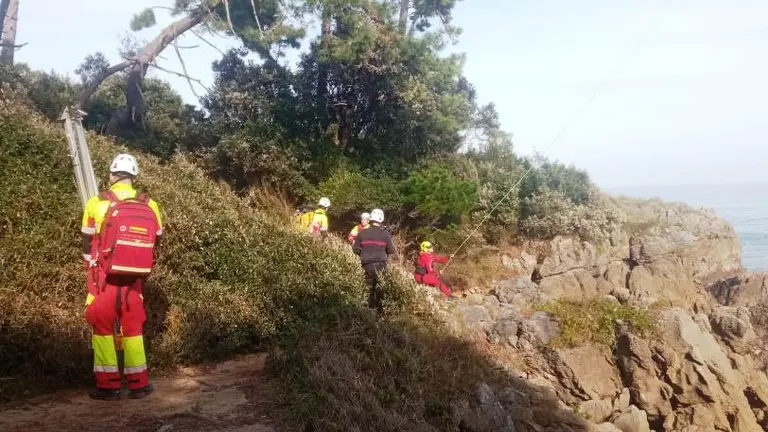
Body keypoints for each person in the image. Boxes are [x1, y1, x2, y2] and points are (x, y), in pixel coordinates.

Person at [80, 153, 162, 401]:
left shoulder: (97, 202)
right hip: (134, 279)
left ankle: (109, 387)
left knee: (102, 325)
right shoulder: (150, 204)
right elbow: (157, 237)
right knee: (133, 327)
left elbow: (86, 237)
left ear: (112, 175)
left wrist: (91, 264)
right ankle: (139, 384)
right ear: (134, 177)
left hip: (103, 277)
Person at [352, 208, 396, 311]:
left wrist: (364, 253)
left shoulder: (362, 233)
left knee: (367, 288)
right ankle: (378, 311)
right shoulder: (385, 234)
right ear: (381, 220)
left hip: (366, 265)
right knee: (380, 288)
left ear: (370, 219)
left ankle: (366, 310)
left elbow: (355, 250)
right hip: (381, 265)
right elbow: (391, 250)